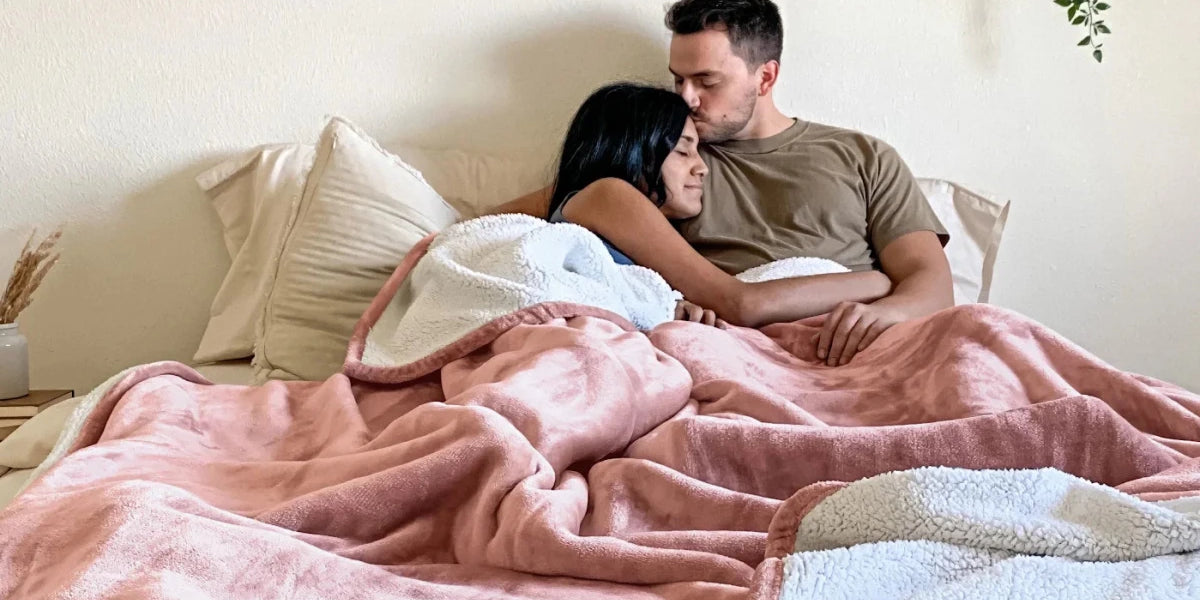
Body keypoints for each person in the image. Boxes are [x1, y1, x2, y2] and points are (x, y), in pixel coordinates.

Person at [492, 0, 953, 367]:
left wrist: (888, 309)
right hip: (732, 349)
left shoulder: (863, 157)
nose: (686, 98)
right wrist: (874, 282)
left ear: (765, 76)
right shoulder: (658, 162)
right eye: (679, 80)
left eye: (706, 81)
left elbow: (930, 282)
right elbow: (521, 221)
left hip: (854, 339)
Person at [543, 82, 892, 329]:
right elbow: (741, 304)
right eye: (683, 150)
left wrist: (664, 306)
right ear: (634, 150)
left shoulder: (602, 208)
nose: (702, 167)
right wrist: (876, 282)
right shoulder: (608, 194)